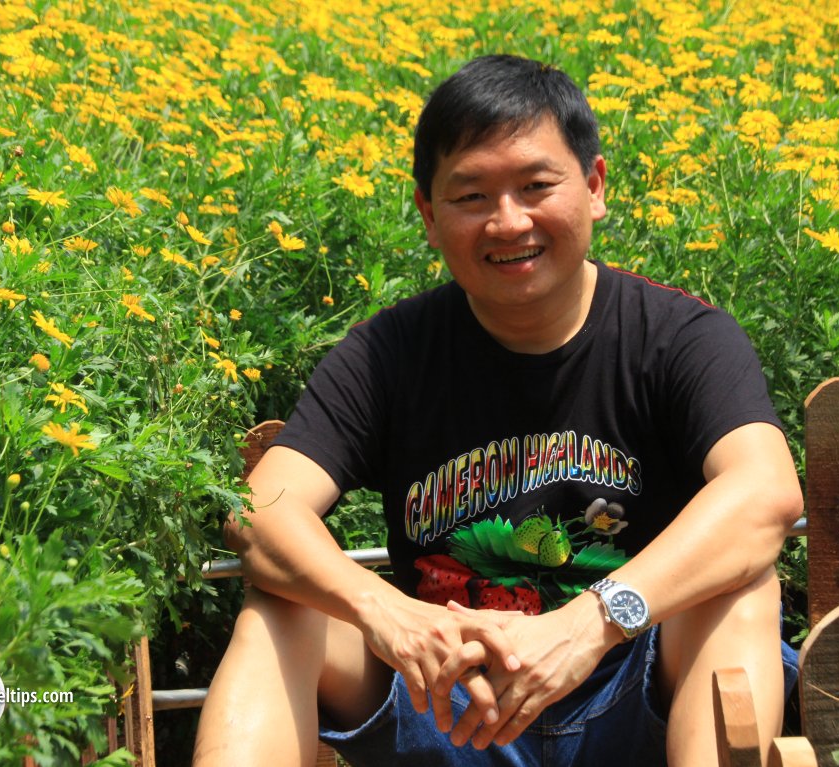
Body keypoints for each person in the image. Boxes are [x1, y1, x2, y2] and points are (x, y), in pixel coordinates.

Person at [194, 54, 804, 766]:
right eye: (471, 196)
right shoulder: (389, 352)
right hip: (441, 694)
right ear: (428, 214)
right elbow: (257, 507)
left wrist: (591, 622)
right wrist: (387, 611)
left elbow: (765, 493)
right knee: (283, 607)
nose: (508, 221)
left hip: (630, 681)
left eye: (536, 186)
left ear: (595, 186)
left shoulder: (678, 338)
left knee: (739, 589)